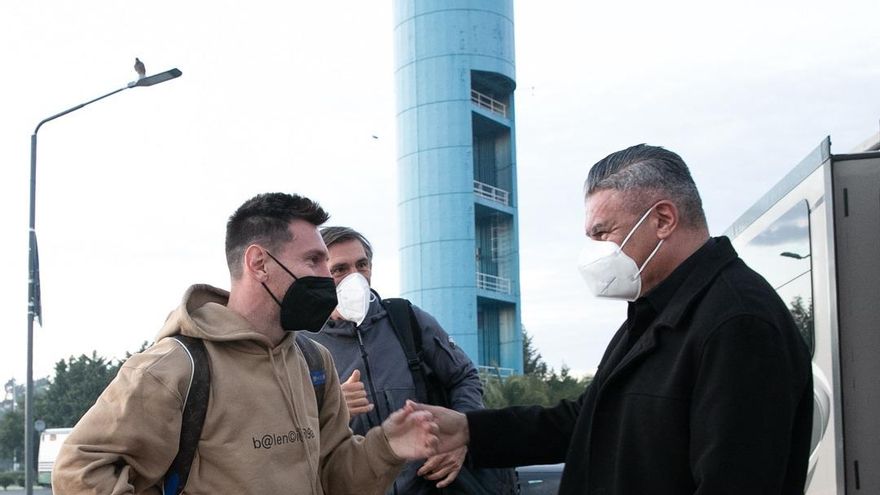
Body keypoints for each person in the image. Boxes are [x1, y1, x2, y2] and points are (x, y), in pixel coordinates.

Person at [415, 144, 814, 494]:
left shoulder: (737, 323)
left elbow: (735, 481)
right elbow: (586, 420)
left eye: (603, 233)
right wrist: (471, 429)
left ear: (662, 220)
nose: (595, 253)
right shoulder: (654, 312)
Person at [52, 192, 438, 494]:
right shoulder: (175, 367)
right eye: (313, 261)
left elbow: (336, 477)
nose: (328, 277)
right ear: (259, 263)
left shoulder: (312, 361)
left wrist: (386, 445)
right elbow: (78, 470)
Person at [311, 227, 509, 494]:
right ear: (318, 275)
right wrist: (331, 408)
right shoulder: (303, 345)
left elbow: (464, 377)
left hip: (431, 486)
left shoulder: (407, 320)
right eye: (340, 269)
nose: (355, 277)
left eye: (362, 265)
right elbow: (287, 431)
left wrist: (462, 437)